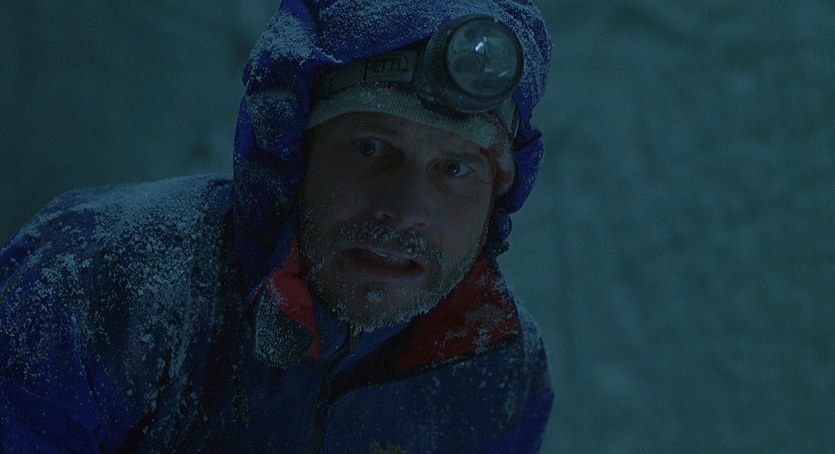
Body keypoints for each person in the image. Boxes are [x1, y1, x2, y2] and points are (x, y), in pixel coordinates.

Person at [0, 0, 553, 451]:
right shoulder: (104, 283)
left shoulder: (495, 365)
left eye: (455, 169)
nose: (407, 208)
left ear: (497, 196)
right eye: (371, 148)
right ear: (294, 154)